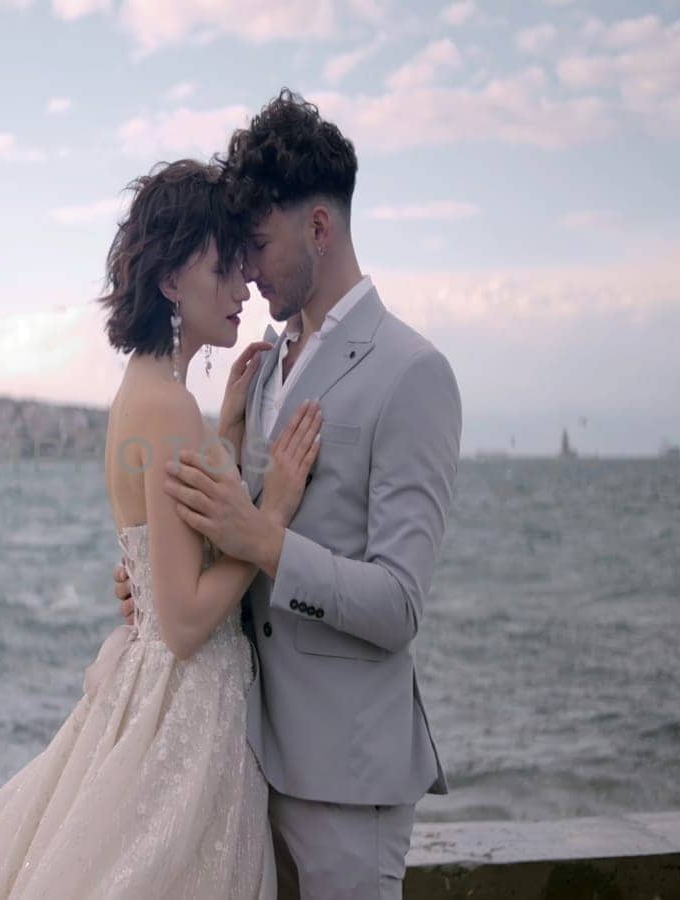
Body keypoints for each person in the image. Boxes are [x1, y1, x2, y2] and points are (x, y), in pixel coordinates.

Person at [0, 159, 323, 899]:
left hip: (169, 697)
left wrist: (222, 429)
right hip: (187, 713)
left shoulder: (150, 392)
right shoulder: (163, 406)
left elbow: (175, 552)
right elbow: (186, 619)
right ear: (168, 282)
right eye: (222, 268)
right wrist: (275, 513)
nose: (240, 290)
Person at [116, 90, 462, 899]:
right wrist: (159, 577)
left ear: (318, 227)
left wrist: (260, 536)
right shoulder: (261, 367)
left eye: (259, 244)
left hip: (347, 779)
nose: (245, 268)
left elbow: (399, 604)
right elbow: (217, 547)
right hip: (243, 763)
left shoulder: (413, 372)